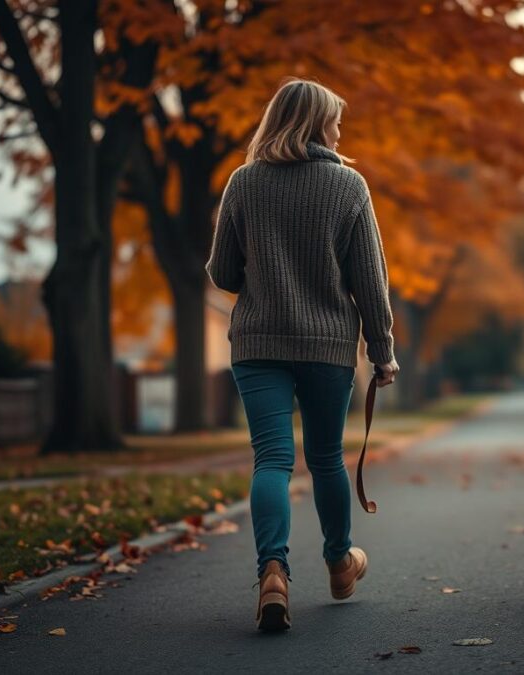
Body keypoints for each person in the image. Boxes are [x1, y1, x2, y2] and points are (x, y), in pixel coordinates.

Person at [205, 78, 399, 632]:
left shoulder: (243, 182)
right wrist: (382, 351)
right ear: (317, 124)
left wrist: (261, 266)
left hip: (258, 344)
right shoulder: (349, 186)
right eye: (336, 122)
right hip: (327, 347)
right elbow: (369, 281)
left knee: (271, 459)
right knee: (326, 458)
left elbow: (223, 274)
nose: (339, 132)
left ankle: (273, 573)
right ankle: (339, 563)